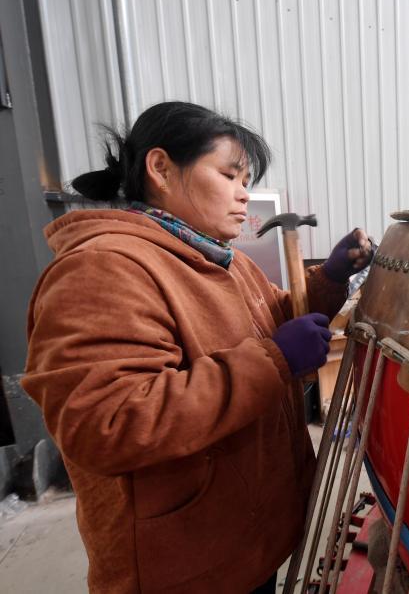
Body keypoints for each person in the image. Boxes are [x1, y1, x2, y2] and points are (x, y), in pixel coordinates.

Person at [22, 101, 374, 593]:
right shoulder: (102, 268)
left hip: (244, 535)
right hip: (183, 563)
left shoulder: (222, 260)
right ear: (161, 168)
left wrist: (329, 279)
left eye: (246, 180)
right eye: (229, 175)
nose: (244, 194)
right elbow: (107, 423)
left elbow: (274, 318)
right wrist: (273, 361)